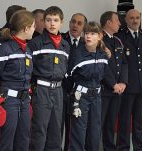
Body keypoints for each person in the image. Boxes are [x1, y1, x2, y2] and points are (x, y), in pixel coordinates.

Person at [0, 10, 35, 151]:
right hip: (8, 102)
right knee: (5, 142)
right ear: (26, 28)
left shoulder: (28, 50)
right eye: (33, 26)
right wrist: (2, 91)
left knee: (23, 141)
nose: (34, 30)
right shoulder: (4, 50)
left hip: (24, 102)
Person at [29, 6, 70, 151]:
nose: (52, 23)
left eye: (56, 20)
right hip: (41, 90)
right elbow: (29, 70)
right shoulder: (35, 43)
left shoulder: (65, 45)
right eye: (48, 20)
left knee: (56, 130)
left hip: (58, 91)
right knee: (39, 129)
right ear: (44, 22)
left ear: (61, 22)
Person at [67, 21, 110, 151]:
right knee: (78, 132)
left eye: (92, 33)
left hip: (96, 96)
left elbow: (104, 76)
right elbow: (68, 76)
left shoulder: (103, 55)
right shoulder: (77, 54)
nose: (88, 36)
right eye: (86, 33)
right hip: (80, 97)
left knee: (95, 131)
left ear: (100, 36)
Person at [117, 9, 142, 151]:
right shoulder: (120, 36)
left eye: (137, 17)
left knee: (138, 121)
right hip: (127, 85)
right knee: (125, 120)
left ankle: (138, 148)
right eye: (131, 18)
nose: (135, 20)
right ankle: (123, 148)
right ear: (125, 20)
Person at [100, 11, 128, 151]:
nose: (120, 23)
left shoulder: (117, 41)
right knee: (99, 123)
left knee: (111, 124)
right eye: (117, 20)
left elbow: (124, 63)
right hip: (104, 89)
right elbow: (102, 66)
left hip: (117, 90)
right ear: (109, 22)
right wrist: (113, 84)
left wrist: (123, 82)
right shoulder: (99, 39)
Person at [61, 12, 87, 151]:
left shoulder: (86, 43)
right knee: (56, 129)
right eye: (73, 21)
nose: (75, 25)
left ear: (84, 27)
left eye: (79, 23)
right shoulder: (61, 39)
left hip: (78, 93)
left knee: (73, 130)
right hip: (61, 90)